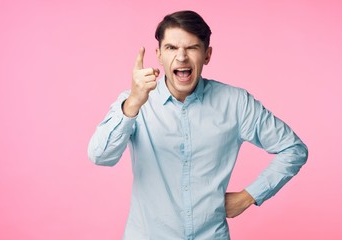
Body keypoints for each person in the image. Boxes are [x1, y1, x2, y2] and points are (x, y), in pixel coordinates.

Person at [88, 10, 308, 240]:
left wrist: (248, 196)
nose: (181, 57)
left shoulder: (236, 103)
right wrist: (133, 102)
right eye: (171, 48)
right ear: (159, 55)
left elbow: (293, 148)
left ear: (207, 55)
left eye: (192, 48)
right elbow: (100, 156)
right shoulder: (134, 101)